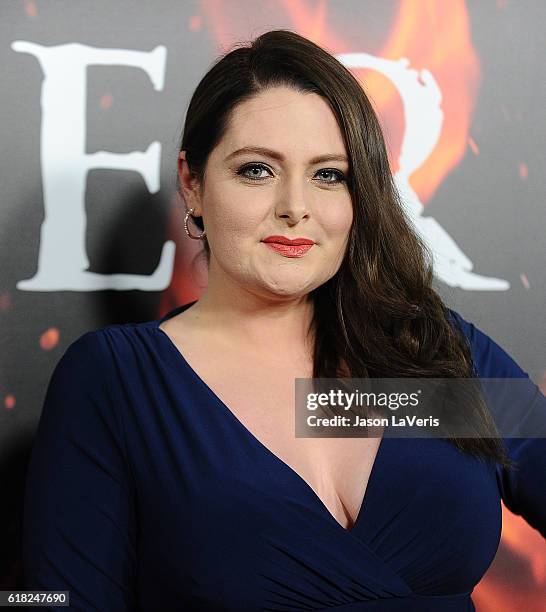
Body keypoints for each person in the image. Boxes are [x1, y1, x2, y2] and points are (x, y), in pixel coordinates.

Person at [22, 29, 545, 611]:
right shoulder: (118, 381)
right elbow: (58, 601)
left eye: (329, 175)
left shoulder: (436, 355)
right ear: (193, 184)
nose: (295, 207)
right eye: (257, 170)